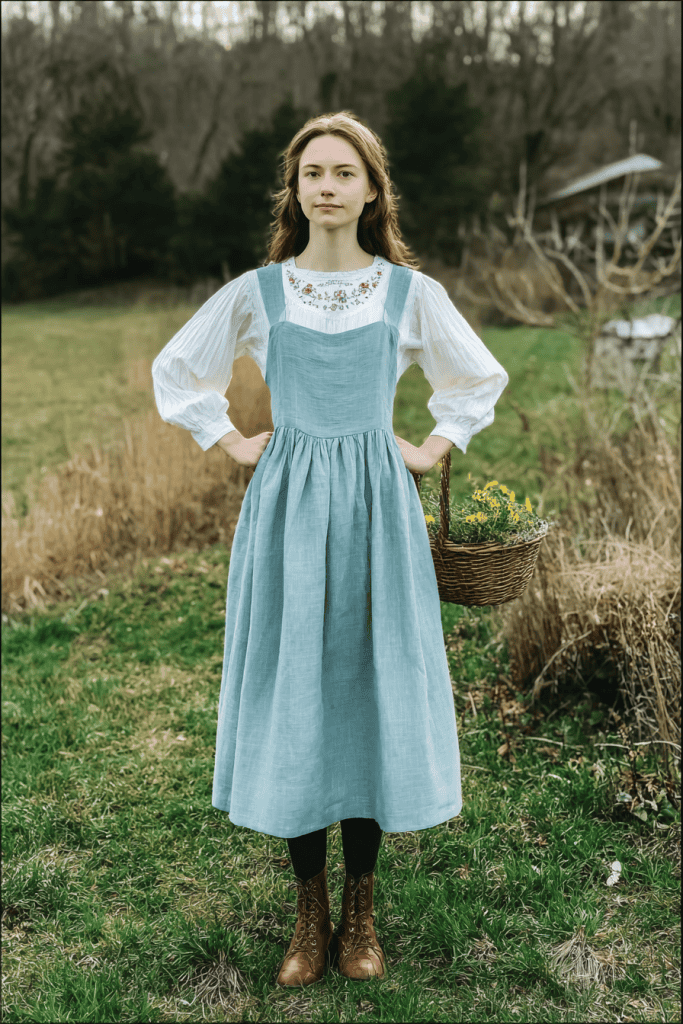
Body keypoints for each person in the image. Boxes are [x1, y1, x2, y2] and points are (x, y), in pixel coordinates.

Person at [151, 111, 509, 988]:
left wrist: (428, 446)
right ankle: (306, 914)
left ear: (371, 189)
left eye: (344, 172)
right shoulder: (261, 292)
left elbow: (476, 375)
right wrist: (232, 439)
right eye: (312, 172)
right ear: (296, 189)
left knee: (367, 687)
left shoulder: (405, 294)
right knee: (298, 692)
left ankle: (361, 909)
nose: (326, 185)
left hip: (378, 510)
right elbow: (178, 369)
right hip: (288, 513)